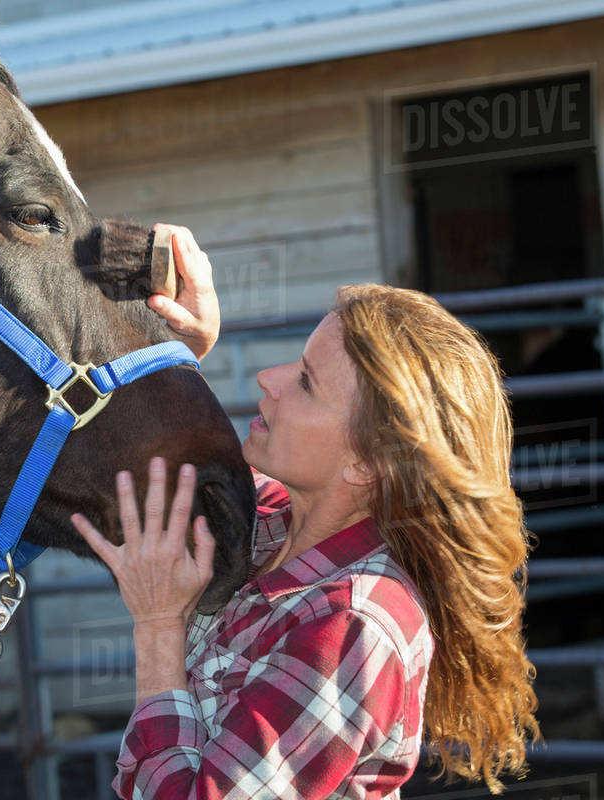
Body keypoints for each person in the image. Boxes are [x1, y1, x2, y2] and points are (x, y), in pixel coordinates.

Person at [70, 225, 540, 799]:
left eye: (306, 383)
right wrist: (178, 355)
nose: (269, 379)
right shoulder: (269, 524)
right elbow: (163, 470)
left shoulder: (351, 626)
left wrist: (159, 628)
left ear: (367, 463)